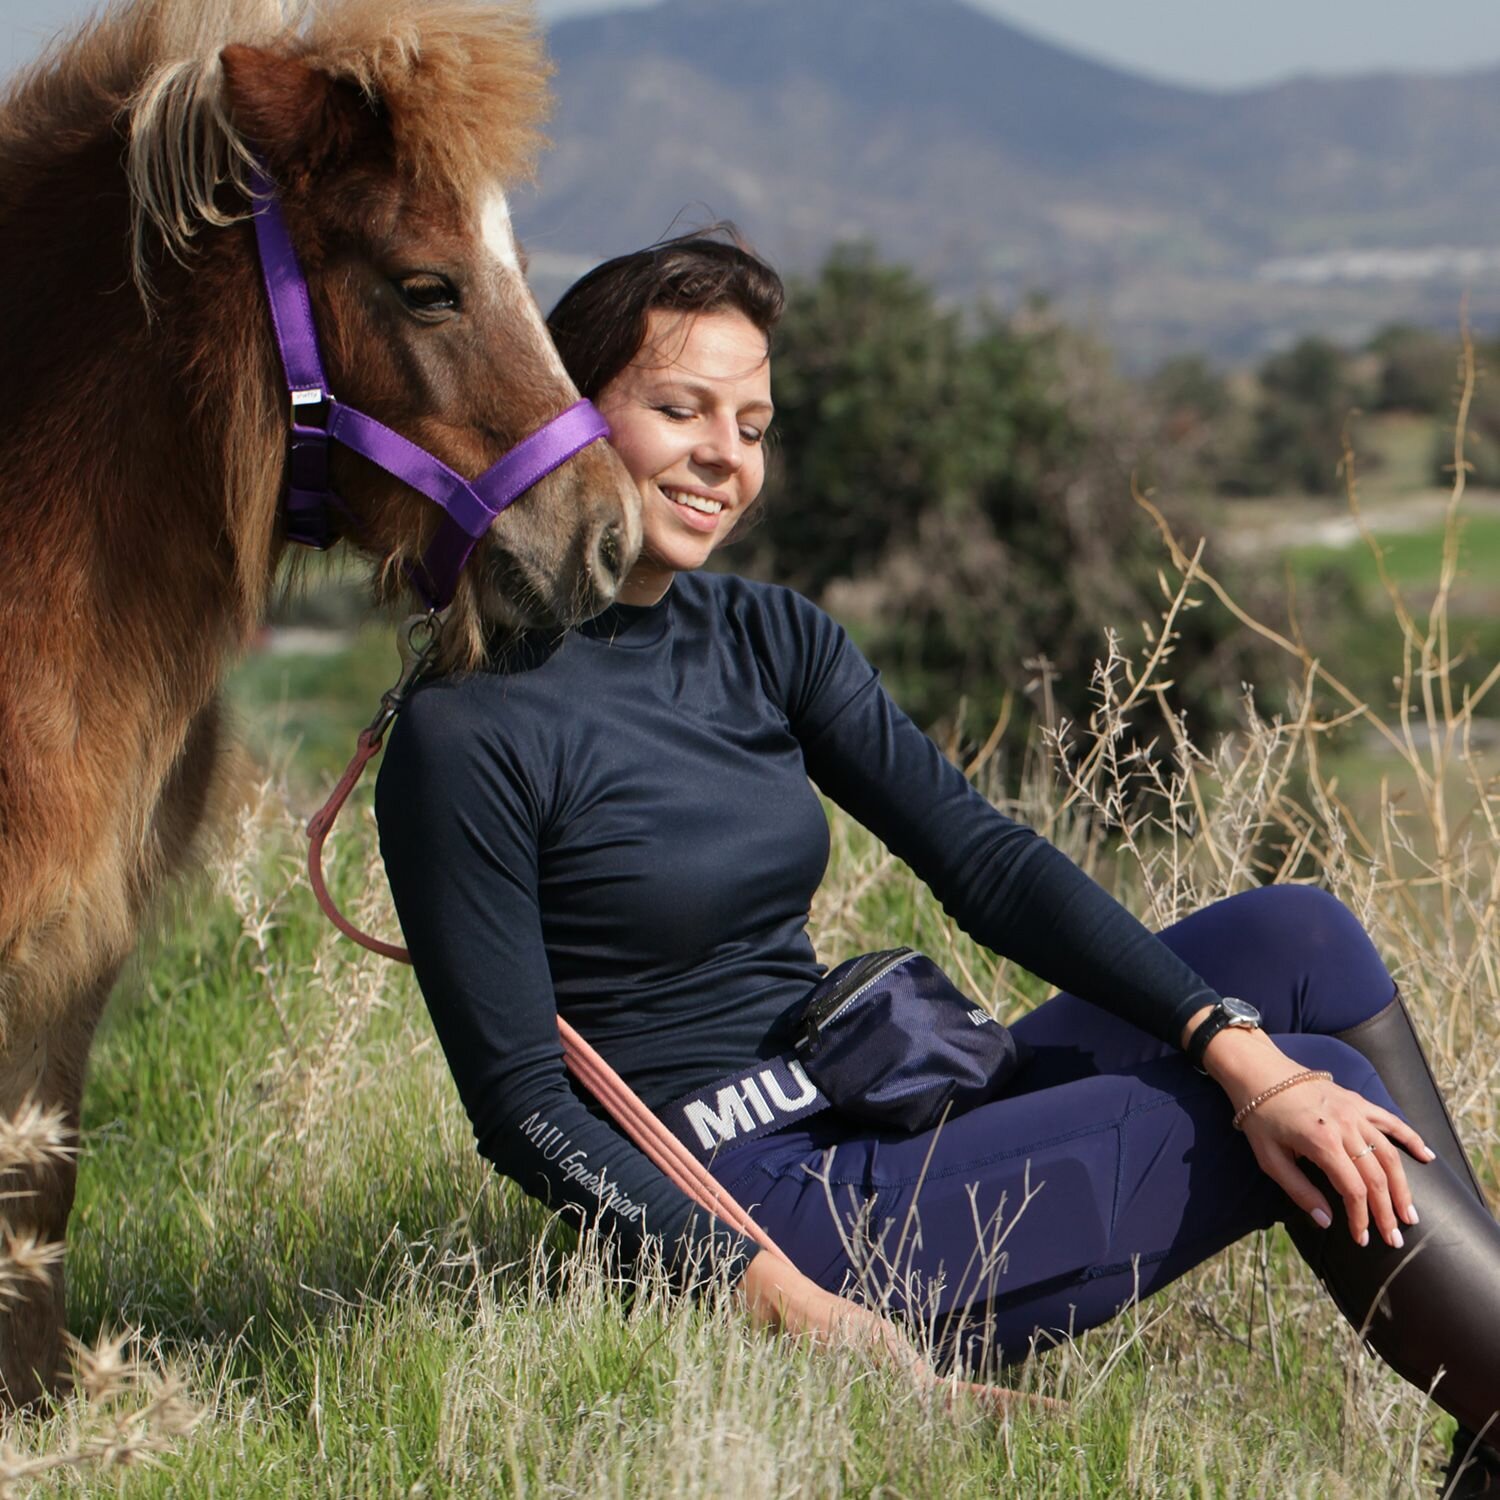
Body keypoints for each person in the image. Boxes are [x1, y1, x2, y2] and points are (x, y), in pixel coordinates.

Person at [375, 232, 1500, 1490]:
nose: (723, 458)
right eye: (678, 410)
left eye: (752, 423)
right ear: (570, 416)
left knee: (1299, 944)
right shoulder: (466, 726)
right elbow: (524, 1112)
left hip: (876, 1107)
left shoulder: (763, 635)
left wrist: (1228, 1043)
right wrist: (795, 1307)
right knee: (1309, 1084)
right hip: (766, 1217)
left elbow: (984, 862)